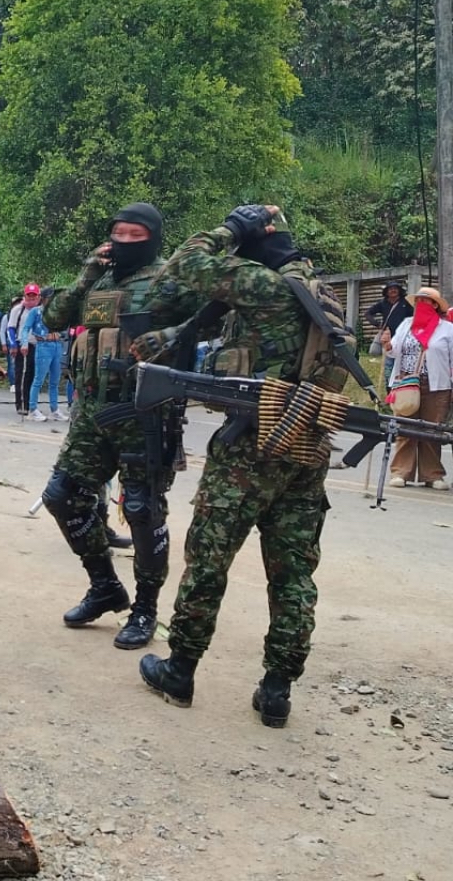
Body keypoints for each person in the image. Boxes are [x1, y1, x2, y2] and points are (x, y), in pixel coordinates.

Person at [137, 205, 334, 728]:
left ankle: (180, 670)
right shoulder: (318, 293)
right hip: (306, 452)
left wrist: (228, 229)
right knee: (293, 573)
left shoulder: (264, 287)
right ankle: (277, 690)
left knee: (209, 558)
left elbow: (183, 264)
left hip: (250, 449)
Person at [40, 202, 206, 649]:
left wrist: (173, 338)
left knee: (141, 509)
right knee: (62, 498)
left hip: (145, 414)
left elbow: (217, 310)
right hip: (92, 414)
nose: (125, 242)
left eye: (136, 235)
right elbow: (53, 317)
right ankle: (104, 586)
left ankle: (146, 609)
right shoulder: (101, 278)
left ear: (152, 237)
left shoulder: (169, 278)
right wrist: (87, 273)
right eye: (119, 234)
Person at [382, 287, 453, 490]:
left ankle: (432, 475)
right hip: (406, 384)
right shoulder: (406, 325)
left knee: (432, 430)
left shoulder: (447, 329)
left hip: (437, 386)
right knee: (405, 427)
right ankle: (400, 472)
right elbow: (394, 351)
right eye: (419, 300)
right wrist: (387, 345)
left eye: (426, 300)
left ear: (435, 305)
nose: (421, 304)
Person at [25, 287, 67, 422]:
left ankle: (54, 409)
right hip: (43, 345)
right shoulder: (36, 312)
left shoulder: (57, 312)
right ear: (43, 298)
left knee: (54, 380)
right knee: (39, 379)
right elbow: (26, 328)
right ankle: (32, 409)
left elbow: (65, 328)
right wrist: (24, 343)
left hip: (56, 345)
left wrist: (59, 334)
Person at [367, 281, 414, 385]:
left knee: (402, 364)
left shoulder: (405, 303)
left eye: (395, 288)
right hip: (388, 337)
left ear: (399, 290)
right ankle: (389, 388)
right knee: (388, 364)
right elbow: (368, 313)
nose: (393, 290)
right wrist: (377, 324)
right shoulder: (383, 303)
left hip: (403, 337)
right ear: (387, 291)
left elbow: (413, 317)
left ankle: (401, 386)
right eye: (390, 289)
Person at [9, 284, 41, 414]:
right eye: (29, 296)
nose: (31, 298)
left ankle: (31, 403)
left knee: (33, 375)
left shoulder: (41, 310)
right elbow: (11, 328)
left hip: (38, 344)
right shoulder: (18, 309)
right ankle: (21, 404)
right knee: (22, 375)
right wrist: (13, 344)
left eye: (34, 296)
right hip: (23, 345)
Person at [1, 296, 22, 389]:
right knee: (12, 363)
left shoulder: (26, 314)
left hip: (23, 341)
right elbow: (2, 331)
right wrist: (3, 344)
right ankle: (13, 383)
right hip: (11, 342)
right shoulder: (7, 316)